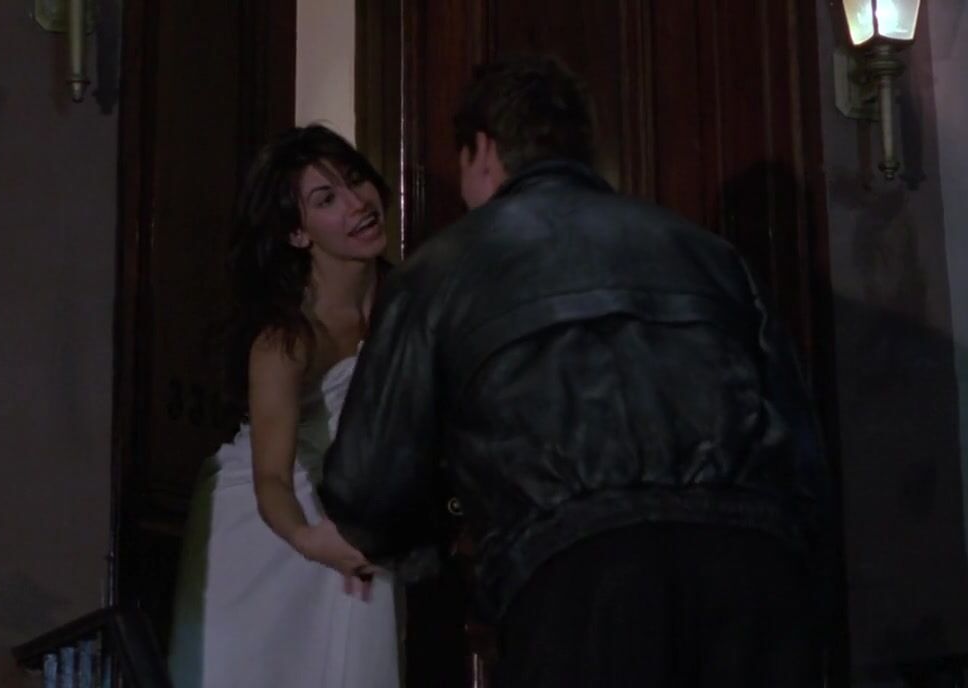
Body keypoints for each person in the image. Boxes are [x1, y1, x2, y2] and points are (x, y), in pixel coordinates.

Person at [319, 55, 832, 687]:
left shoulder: (440, 269)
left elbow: (366, 488)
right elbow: (803, 461)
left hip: (580, 587)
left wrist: (445, 551)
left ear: (483, 150)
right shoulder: (711, 255)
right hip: (757, 583)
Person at [167, 124, 401, 688]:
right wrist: (306, 538)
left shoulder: (410, 303)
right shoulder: (285, 337)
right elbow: (270, 476)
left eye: (355, 180)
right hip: (265, 522)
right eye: (326, 199)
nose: (357, 204)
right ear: (298, 233)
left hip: (352, 509)